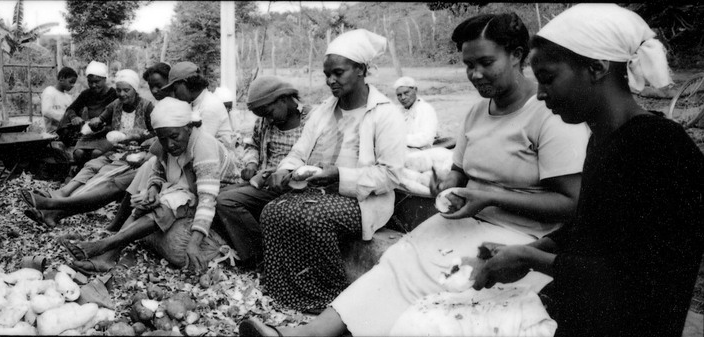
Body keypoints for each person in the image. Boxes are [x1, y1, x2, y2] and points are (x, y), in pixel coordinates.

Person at [239, 13, 590, 336]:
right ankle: (309, 333)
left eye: (486, 63)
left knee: (443, 280)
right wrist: (447, 185)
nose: (475, 74)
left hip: (521, 232)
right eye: (468, 65)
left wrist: (489, 197)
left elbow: (572, 203)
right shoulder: (477, 113)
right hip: (468, 218)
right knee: (399, 261)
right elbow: (459, 174)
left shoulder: (549, 115)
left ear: (517, 55)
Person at [472, 4, 704, 336]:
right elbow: (594, 225)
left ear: (596, 68)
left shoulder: (658, 148)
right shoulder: (603, 138)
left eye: (549, 78)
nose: (539, 94)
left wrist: (528, 258)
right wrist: (540, 248)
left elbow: (638, 277)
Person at [251, 29, 409, 314]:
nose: (331, 81)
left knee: (309, 215)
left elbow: (389, 175)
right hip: (318, 190)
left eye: (338, 72)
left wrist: (339, 175)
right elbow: (299, 152)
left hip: (362, 200)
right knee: (273, 211)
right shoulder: (323, 111)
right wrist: (285, 171)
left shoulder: (385, 114)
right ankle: (284, 292)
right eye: (327, 74)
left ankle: (329, 298)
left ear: (361, 70)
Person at [60, 97, 242, 273]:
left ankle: (108, 245)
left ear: (188, 127)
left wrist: (194, 243)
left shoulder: (204, 146)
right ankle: (107, 256)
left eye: (174, 137)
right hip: (187, 186)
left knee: (167, 205)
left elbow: (207, 199)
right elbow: (158, 169)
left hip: (219, 195)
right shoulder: (167, 139)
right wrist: (154, 189)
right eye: (163, 139)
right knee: (144, 203)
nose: (170, 144)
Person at [22, 69, 155, 228]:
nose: (121, 94)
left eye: (126, 90)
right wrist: (96, 122)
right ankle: (61, 194)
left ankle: (55, 207)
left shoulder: (147, 107)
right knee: (91, 166)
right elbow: (101, 118)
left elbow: (156, 134)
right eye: (118, 90)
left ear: (135, 89)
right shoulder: (115, 105)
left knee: (99, 179)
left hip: (134, 156)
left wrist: (137, 135)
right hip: (115, 151)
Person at [213, 76, 310, 264]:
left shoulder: (311, 120)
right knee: (213, 195)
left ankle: (261, 256)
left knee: (225, 201)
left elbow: (315, 159)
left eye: (269, 112)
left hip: (293, 186)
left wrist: (277, 172)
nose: (268, 119)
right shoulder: (265, 121)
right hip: (264, 182)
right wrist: (251, 164)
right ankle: (242, 246)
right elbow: (253, 145)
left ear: (283, 99)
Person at [159, 61, 234, 149]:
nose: (175, 95)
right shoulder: (195, 102)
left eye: (175, 89)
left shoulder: (209, 105)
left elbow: (201, 145)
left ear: (185, 83)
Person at [58, 61, 119, 166]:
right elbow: (71, 109)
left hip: (108, 134)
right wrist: (74, 117)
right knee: (78, 153)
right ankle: (80, 173)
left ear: (105, 79)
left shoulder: (114, 95)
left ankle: (92, 177)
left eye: (97, 81)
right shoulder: (86, 94)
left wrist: (105, 126)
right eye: (90, 82)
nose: (93, 85)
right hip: (91, 134)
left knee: (96, 154)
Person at [393, 76, 438, 149]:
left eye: (406, 93)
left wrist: (398, 139)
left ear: (415, 90)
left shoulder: (425, 109)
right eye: (399, 95)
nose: (403, 97)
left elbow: (426, 138)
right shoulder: (397, 111)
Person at [41, 67, 78, 134]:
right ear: (61, 79)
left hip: (67, 132)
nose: (72, 85)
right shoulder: (49, 91)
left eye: (74, 83)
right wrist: (66, 119)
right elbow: (46, 111)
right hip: (53, 133)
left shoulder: (68, 97)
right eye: (70, 82)